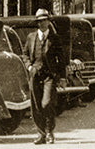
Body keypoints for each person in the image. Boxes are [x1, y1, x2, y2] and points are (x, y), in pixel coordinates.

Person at [25, 9, 64, 144]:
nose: (42, 23)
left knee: (46, 103)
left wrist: (62, 77)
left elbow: (62, 58)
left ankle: (49, 132)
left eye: (44, 20)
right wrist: (29, 66)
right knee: (36, 106)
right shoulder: (31, 37)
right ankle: (41, 134)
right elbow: (25, 55)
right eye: (39, 21)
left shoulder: (55, 38)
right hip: (35, 74)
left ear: (48, 21)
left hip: (49, 76)